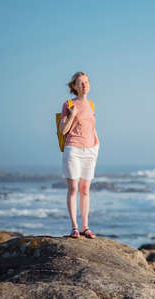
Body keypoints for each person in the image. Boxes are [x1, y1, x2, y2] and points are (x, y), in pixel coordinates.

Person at [59, 71, 99, 239]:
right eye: (80, 83)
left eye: (86, 82)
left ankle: (85, 226)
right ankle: (74, 227)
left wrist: (97, 144)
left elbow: (91, 126)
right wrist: (72, 114)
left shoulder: (91, 104)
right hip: (73, 149)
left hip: (91, 150)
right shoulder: (68, 104)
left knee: (85, 190)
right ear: (74, 86)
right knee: (73, 188)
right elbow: (63, 130)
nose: (84, 85)